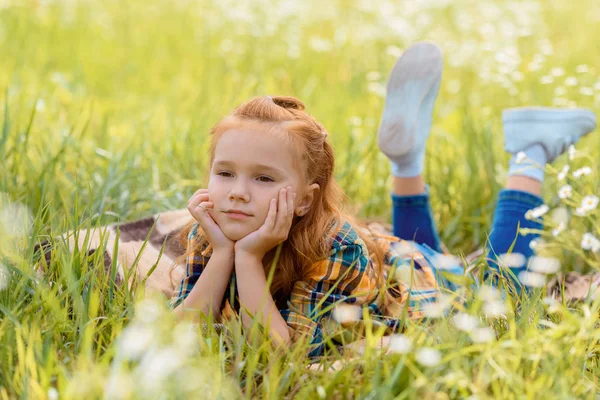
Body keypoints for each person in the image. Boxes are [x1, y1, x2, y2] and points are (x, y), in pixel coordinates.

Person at [170, 42, 597, 357]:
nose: (238, 191)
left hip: (423, 293)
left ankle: (530, 151)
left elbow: (279, 358)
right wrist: (225, 253)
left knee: (503, 294)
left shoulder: (334, 249)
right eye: (225, 173)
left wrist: (246, 260)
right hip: (400, 258)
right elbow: (179, 336)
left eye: (263, 178)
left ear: (304, 200)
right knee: (431, 255)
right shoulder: (211, 231)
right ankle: (406, 163)